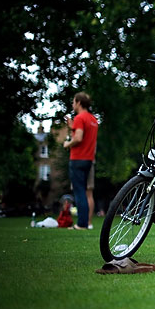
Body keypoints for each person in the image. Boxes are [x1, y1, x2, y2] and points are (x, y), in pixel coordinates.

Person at [63, 92, 98, 230]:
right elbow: (87, 136)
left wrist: (67, 144)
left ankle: (81, 224)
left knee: (79, 192)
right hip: (89, 159)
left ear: (78, 102)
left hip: (77, 159)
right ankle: (85, 222)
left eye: (73, 101)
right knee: (85, 192)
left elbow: (78, 138)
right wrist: (73, 126)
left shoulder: (79, 118)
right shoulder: (93, 120)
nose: (72, 104)